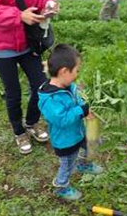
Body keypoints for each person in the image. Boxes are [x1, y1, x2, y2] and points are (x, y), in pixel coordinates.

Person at [0, 0, 58, 154]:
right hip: (2, 47)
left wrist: (48, 4)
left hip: (29, 43)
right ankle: (19, 132)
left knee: (41, 85)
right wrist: (19, 16)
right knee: (13, 92)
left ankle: (31, 123)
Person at [38, 44, 103, 200]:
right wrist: (81, 110)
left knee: (91, 145)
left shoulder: (69, 85)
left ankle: (84, 164)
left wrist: (84, 109)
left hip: (78, 132)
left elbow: (78, 99)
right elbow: (62, 119)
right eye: (76, 71)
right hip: (65, 142)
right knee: (67, 165)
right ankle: (61, 186)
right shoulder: (50, 99)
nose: (77, 74)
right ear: (64, 71)